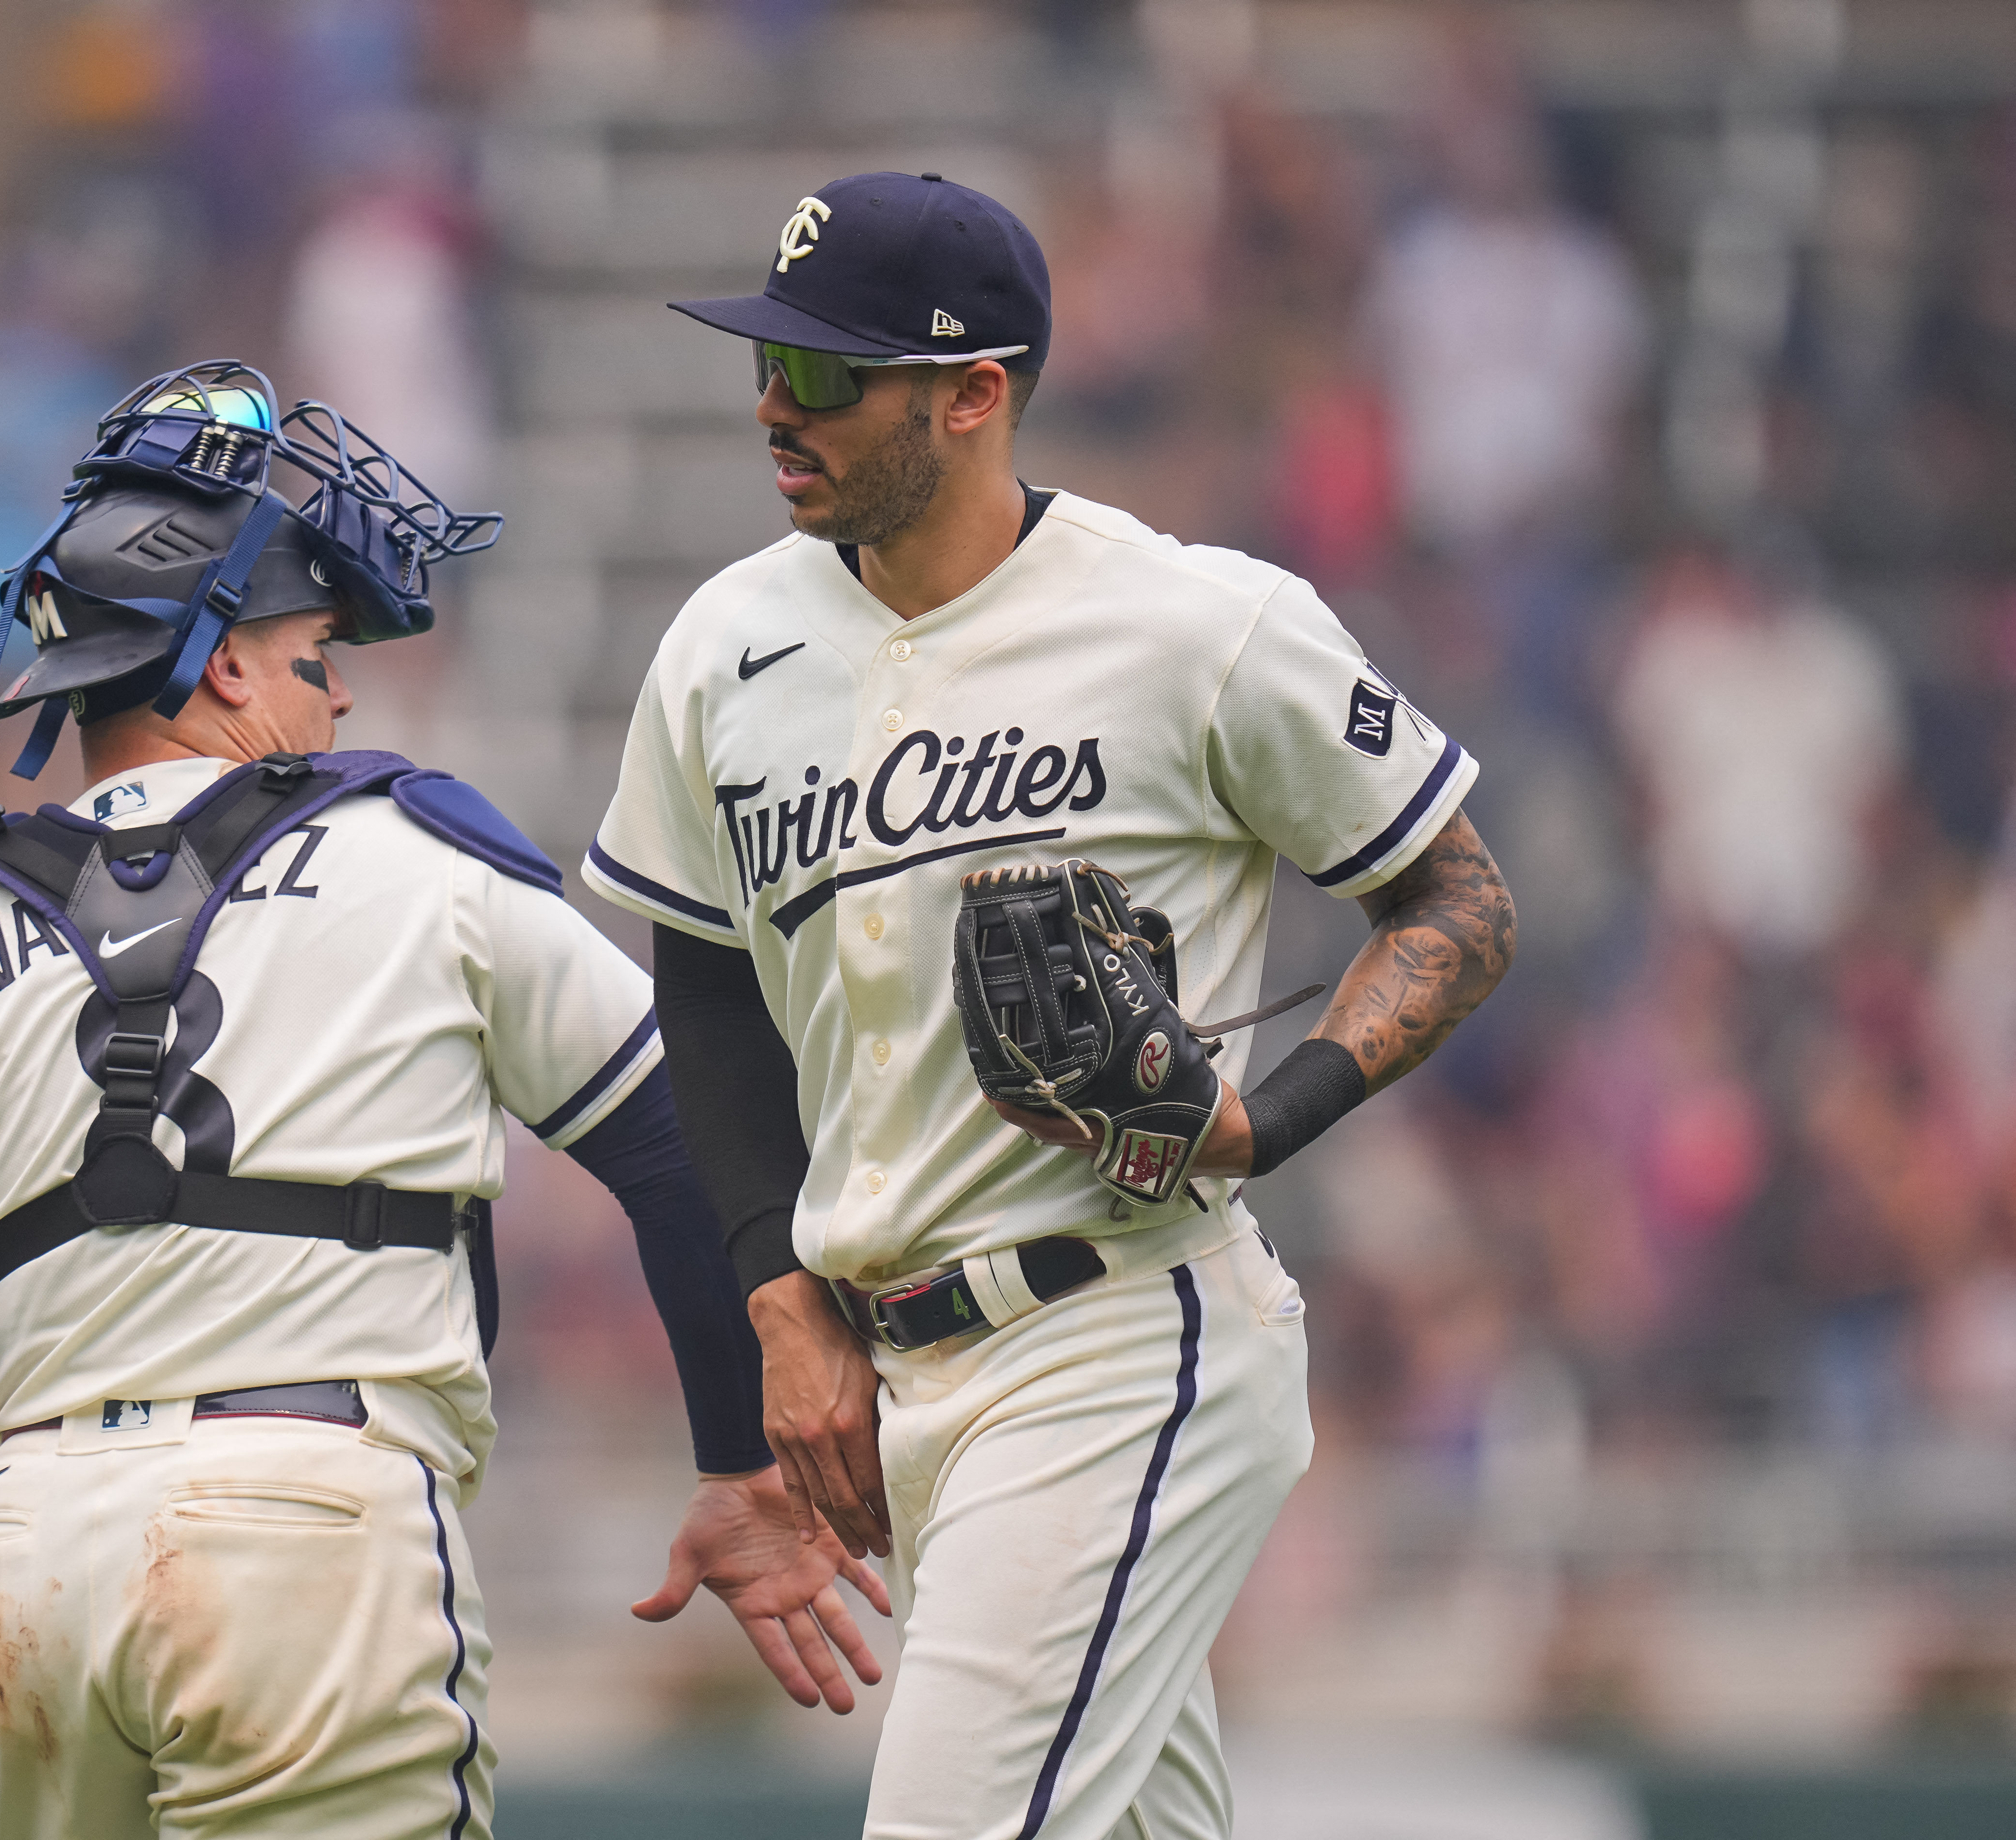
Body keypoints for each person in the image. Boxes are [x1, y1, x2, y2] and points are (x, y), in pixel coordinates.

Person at [0, 365, 884, 1840]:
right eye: (317, 648)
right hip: (310, 1528)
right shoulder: (415, 859)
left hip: (36, 1568)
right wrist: (740, 1464)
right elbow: (678, 1145)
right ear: (225, 668)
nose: (344, 685)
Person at [585, 174, 1518, 1838]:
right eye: (767, 365)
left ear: (973, 393)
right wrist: (778, 1296)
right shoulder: (724, 645)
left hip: (1118, 1334)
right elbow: (711, 990)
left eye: (824, 376)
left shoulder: (1194, 624)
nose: (773, 408)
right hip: (898, 1385)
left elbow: (1458, 900)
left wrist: (1264, 1119)